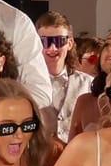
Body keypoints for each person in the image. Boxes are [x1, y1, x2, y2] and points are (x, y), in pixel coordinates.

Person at [37, 12, 93, 140]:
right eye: (45, 41)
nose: (52, 48)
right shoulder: (25, 83)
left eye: (59, 41)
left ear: (70, 43)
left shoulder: (88, 83)